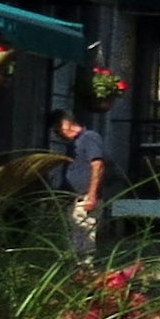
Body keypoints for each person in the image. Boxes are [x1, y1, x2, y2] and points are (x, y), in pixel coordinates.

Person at [49, 107, 108, 258]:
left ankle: (85, 272)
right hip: (73, 199)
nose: (58, 135)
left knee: (84, 241)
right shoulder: (73, 144)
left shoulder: (89, 137)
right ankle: (78, 272)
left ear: (66, 124)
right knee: (74, 240)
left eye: (57, 130)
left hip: (85, 198)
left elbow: (98, 165)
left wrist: (92, 194)